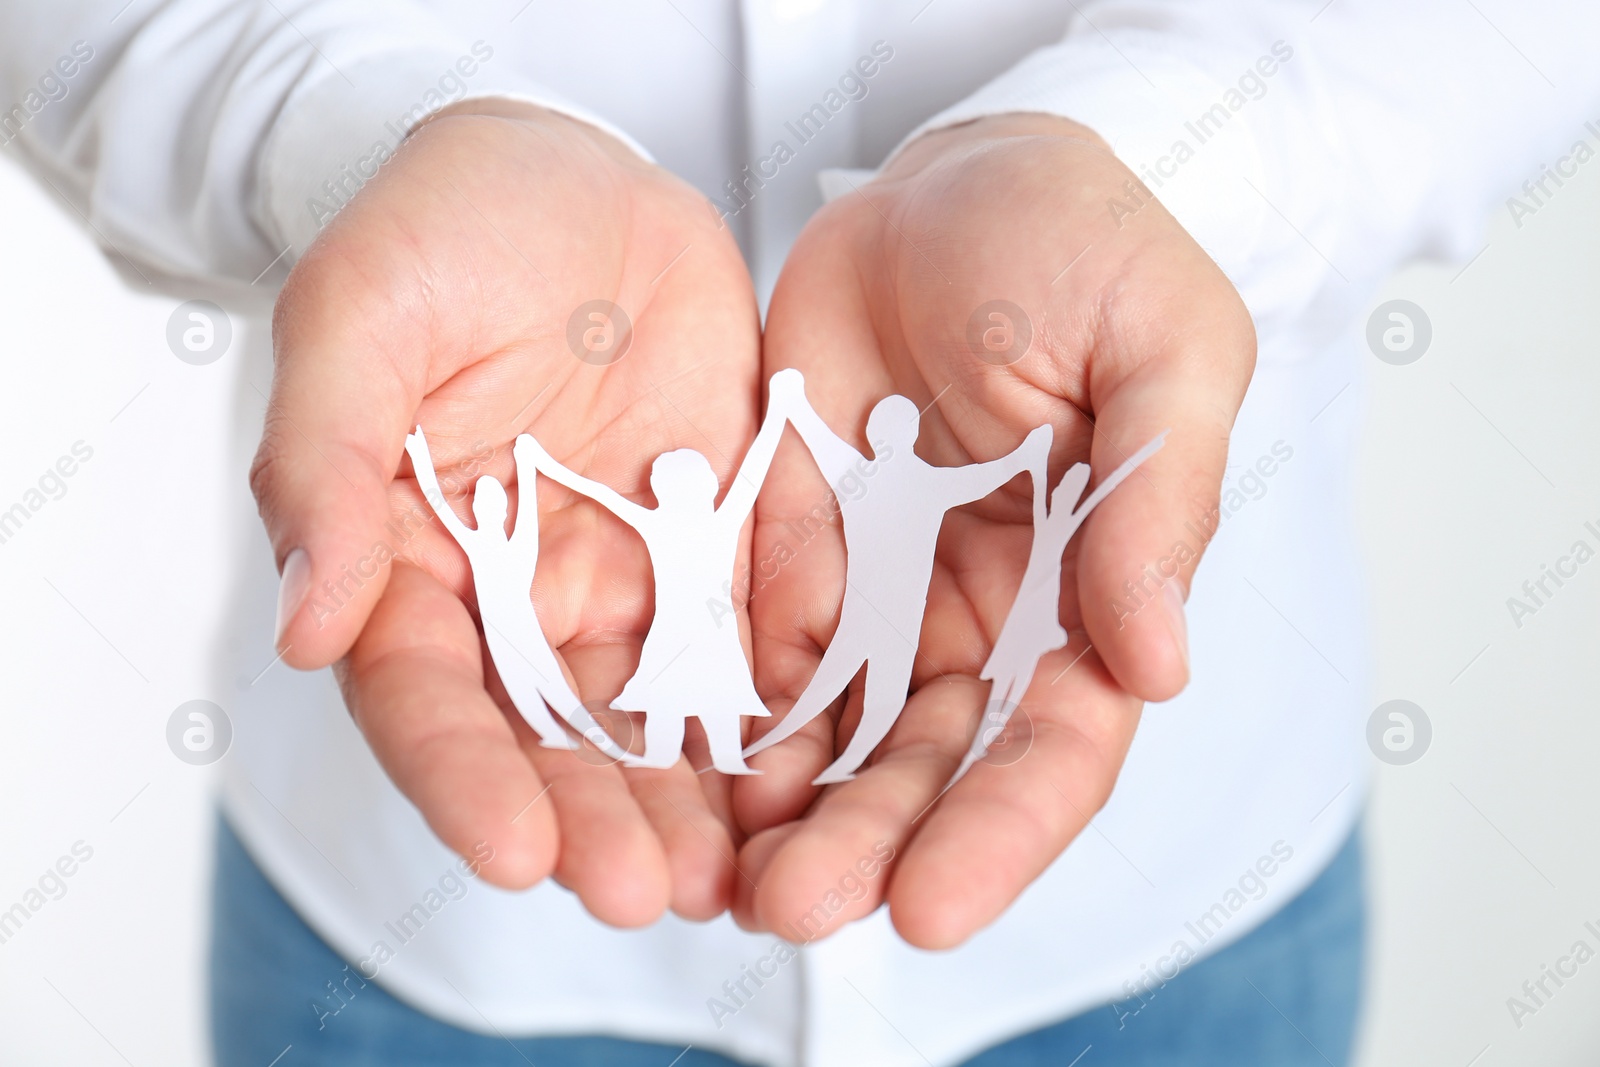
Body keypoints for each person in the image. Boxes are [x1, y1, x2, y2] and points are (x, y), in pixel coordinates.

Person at [5, 2, 1598, 1065]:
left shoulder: (920, 495)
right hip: (419, 932)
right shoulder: (716, 517)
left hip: (1178, 903)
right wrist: (349, 136)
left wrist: (1174, 159)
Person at [743, 384, 1051, 784]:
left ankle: (830, 763)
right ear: (912, 433)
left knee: (830, 688)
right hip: (897, 615)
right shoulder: (929, 483)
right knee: (870, 698)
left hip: (870, 612)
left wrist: (796, 400)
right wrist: (1026, 454)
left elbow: (818, 437)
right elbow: (987, 477)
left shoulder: (857, 476)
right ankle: (840, 764)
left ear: (874, 435)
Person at [515, 367, 802, 774]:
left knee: (688, 712)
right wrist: (779, 410)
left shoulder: (663, 523)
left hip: (685, 636)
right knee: (704, 714)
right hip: (697, 634)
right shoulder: (712, 522)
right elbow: (753, 472)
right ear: (705, 487)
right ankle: (706, 758)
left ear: (662, 490)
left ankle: (694, 757)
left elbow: (597, 492)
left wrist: (543, 463)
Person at [404, 427, 636, 763]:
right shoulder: (475, 543)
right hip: (500, 634)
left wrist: (526, 463)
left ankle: (603, 744)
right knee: (524, 690)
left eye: (489, 502)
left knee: (555, 689)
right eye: (479, 502)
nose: (482, 508)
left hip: (524, 630)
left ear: (499, 510)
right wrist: (419, 456)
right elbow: (436, 501)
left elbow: (526, 505)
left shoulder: (518, 547)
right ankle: (558, 737)